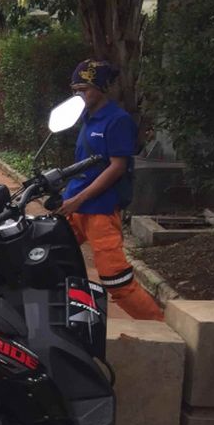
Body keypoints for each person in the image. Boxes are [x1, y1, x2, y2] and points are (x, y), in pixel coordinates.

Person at [55, 60, 164, 320]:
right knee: (48, 262)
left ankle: (158, 327)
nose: (79, 96)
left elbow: (116, 168)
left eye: (85, 89)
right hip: (75, 207)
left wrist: (79, 198)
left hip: (99, 211)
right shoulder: (86, 119)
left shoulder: (117, 121)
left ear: (101, 88)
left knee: (116, 280)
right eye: (75, 90)